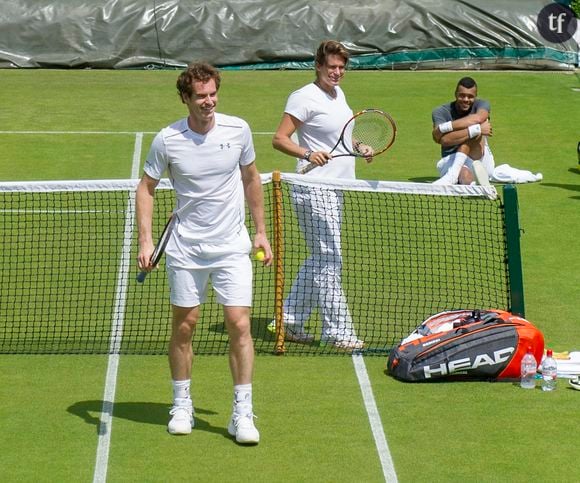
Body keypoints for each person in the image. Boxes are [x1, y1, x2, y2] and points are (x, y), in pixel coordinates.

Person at [136, 62, 272, 444]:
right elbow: (146, 188)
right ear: (185, 98)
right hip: (185, 248)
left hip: (232, 246)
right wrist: (146, 240)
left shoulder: (238, 130)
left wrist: (261, 232)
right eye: (200, 96)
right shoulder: (167, 140)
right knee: (185, 325)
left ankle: (242, 413)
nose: (209, 102)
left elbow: (250, 178)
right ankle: (182, 404)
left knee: (240, 324)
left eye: (213, 94)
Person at [271, 40, 365, 351]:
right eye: (331, 67)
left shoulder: (339, 94)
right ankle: (339, 332)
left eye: (341, 67)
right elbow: (279, 139)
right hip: (313, 191)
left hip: (336, 188)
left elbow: (342, 138)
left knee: (322, 257)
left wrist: (360, 147)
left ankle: (290, 318)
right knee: (329, 259)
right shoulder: (303, 97)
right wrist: (307, 152)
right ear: (318, 66)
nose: (337, 72)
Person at [431, 76, 495, 185]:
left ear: (475, 97)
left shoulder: (482, 104)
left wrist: (444, 128)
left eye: (470, 96)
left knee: (476, 134)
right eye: (462, 95)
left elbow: (479, 118)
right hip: (452, 159)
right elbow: (445, 140)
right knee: (464, 175)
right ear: (455, 94)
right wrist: (478, 128)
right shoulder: (440, 111)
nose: (466, 99)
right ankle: (467, 182)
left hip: (481, 158)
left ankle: (454, 176)